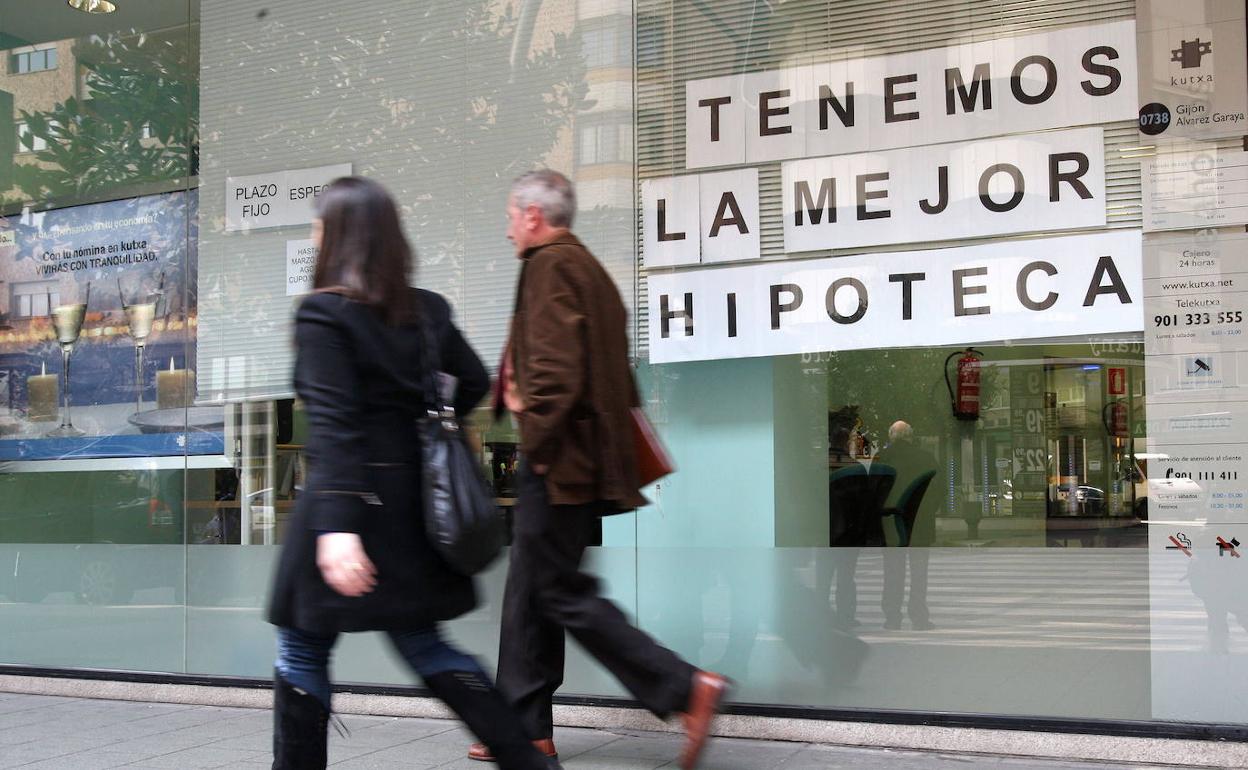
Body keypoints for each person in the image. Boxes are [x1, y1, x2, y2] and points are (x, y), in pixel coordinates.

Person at [266, 176, 559, 770]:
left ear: (337, 236)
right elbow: (474, 381)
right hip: (412, 507)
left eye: (319, 224)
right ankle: (531, 765)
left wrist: (339, 528)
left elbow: (336, 425)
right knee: (423, 643)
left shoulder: (324, 315)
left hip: (345, 502)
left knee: (301, 647)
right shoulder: (427, 312)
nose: (314, 233)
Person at [466, 169, 729, 768]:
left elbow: (557, 375)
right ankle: (527, 728)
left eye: (511, 214)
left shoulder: (551, 266)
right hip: (582, 463)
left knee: (558, 592)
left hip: (559, 461)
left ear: (534, 214)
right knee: (531, 592)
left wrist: (527, 423)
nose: (507, 227)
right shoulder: (589, 270)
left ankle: (686, 688)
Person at [875, 420, 939, 631]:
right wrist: (927, 512)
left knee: (893, 571)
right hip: (920, 524)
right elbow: (938, 490)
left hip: (892, 524)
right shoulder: (925, 458)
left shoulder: (883, 459)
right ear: (911, 437)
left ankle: (892, 617)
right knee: (919, 573)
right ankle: (919, 616)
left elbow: (876, 493)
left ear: (891, 437)